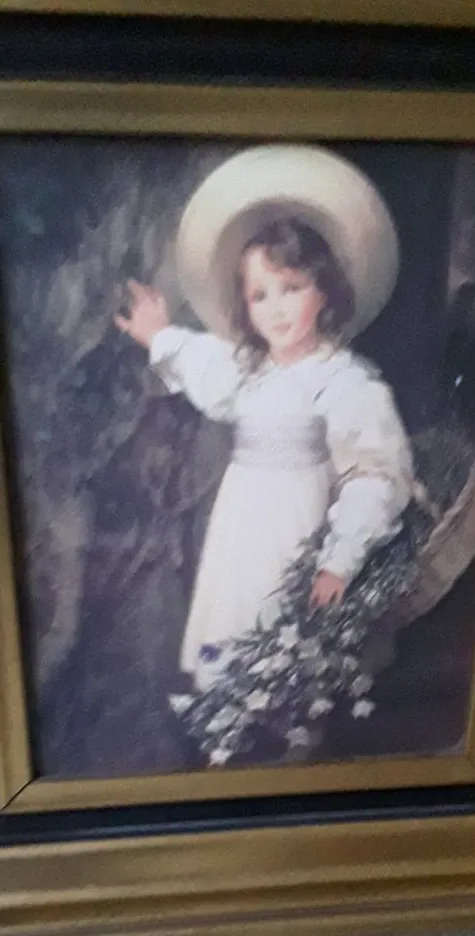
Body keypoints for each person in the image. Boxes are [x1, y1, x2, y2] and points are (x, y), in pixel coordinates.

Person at [114, 145, 415, 691]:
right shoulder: (250, 369)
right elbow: (204, 363)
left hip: (298, 527)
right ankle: (232, 722)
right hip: (241, 528)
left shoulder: (344, 380)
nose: (275, 309)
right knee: (236, 630)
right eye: (260, 295)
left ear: (324, 292)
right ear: (245, 306)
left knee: (288, 644)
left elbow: (375, 473)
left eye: (292, 289)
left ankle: (290, 734)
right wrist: (159, 334)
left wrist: (339, 559)